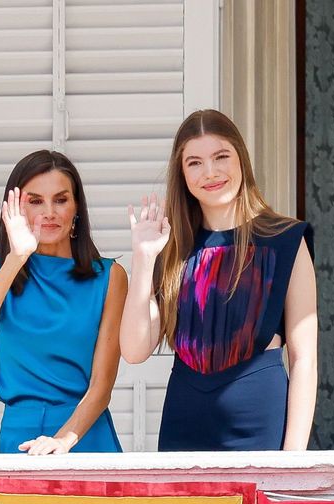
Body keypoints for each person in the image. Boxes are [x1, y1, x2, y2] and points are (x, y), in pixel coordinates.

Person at [120, 109, 317, 451]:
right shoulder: (172, 248)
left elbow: (305, 360)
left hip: (259, 424)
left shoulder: (287, 239)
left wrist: (293, 458)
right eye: (194, 162)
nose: (210, 172)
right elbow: (135, 351)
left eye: (221, 156)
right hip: (183, 425)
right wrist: (143, 258)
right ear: (182, 174)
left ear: (240, 158)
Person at [0, 150, 126, 454]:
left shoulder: (109, 277)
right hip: (19, 438)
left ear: (77, 207)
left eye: (61, 200)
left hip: (83, 435)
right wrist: (17, 257)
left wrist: (63, 440)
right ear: (14, 209)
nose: (49, 212)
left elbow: (101, 387)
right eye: (36, 201)